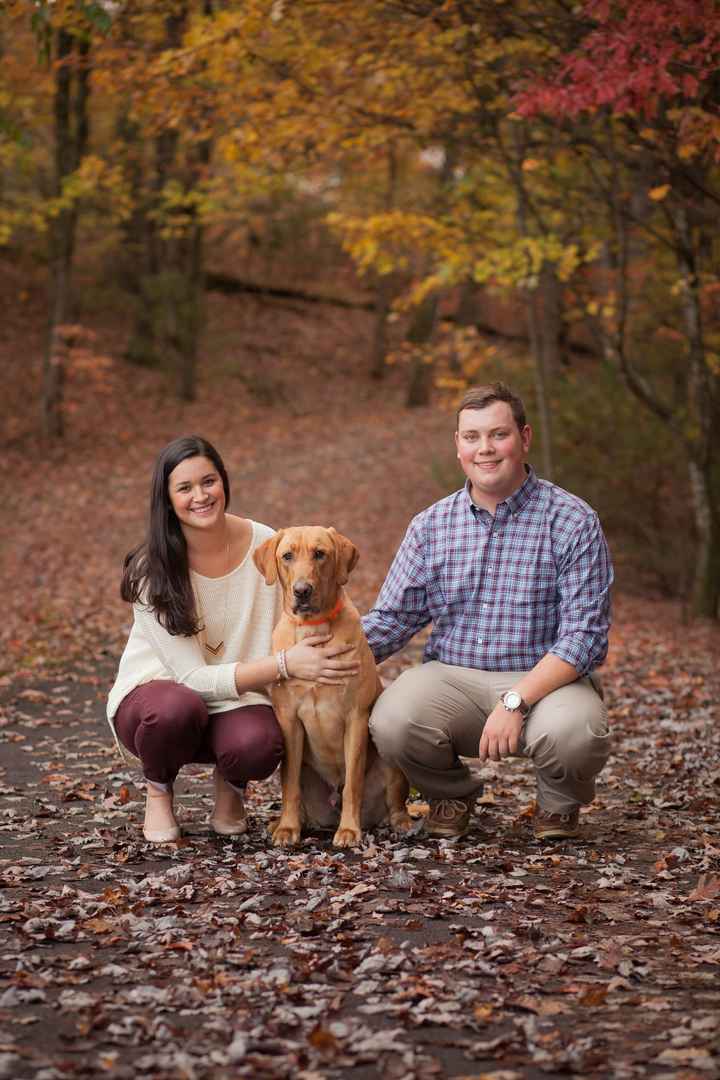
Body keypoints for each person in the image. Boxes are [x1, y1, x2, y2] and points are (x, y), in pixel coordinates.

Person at [362, 382, 612, 841]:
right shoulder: (430, 526)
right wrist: (313, 650)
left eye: (498, 435)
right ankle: (451, 794)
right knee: (391, 720)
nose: (485, 449)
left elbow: (584, 637)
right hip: (452, 678)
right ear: (457, 445)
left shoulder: (574, 520)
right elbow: (391, 620)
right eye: (472, 437)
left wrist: (516, 700)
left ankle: (558, 807)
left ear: (524, 438)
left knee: (579, 732)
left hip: (544, 680)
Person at [107, 435, 358, 844]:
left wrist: (347, 650)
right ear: (167, 499)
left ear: (224, 482)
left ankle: (231, 786)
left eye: (209, 481)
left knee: (259, 742)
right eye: (184, 488)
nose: (201, 496)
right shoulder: (150, 569)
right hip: (158, 697)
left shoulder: (270, 544)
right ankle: (158, 790)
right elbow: (189, 677)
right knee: (174, 707)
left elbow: (319, 594)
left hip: (238, 696)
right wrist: (283, 665)